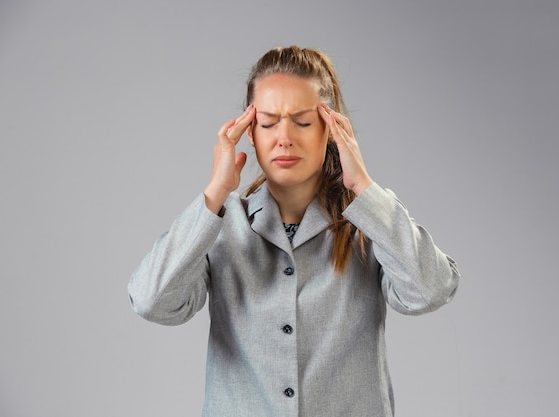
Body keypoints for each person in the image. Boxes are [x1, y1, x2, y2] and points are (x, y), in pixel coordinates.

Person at [128, 45, 460, 417]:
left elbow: (431, 291)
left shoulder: (370, 221)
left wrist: (363, 187)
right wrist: (215, 193)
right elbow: (151, 301)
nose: (284, 138)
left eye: (302, 122)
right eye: (268, 123)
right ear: (249, 134)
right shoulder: (220, 223)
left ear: (331, 130)